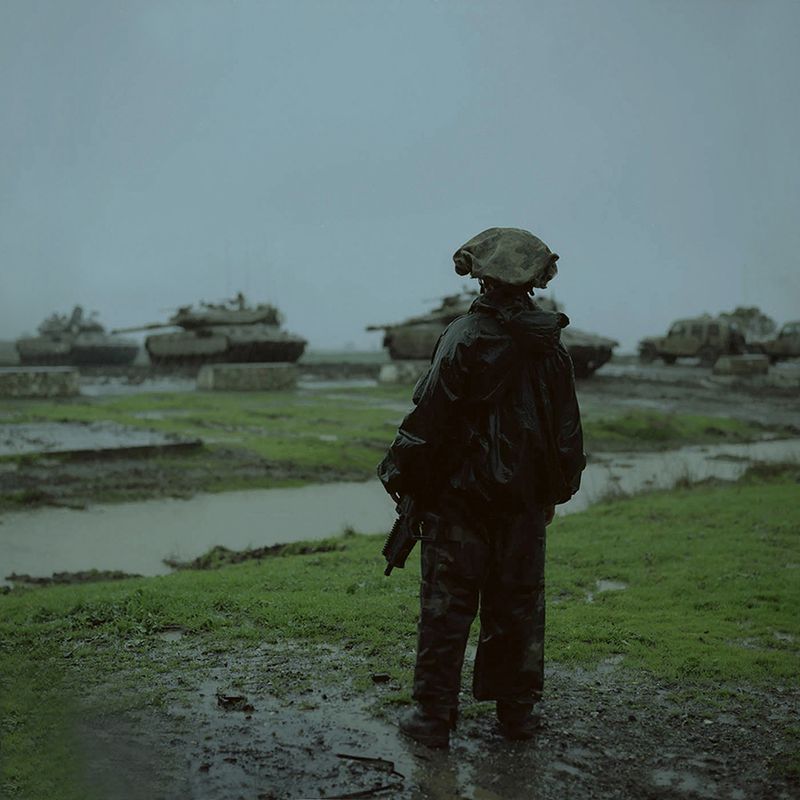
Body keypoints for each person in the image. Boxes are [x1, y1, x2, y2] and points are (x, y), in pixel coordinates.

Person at [377, 227, 586, 748]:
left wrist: (399, 476)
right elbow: (568, 435)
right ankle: (518, 716)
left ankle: (431, 721)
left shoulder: (462, 336)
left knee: (447, 610)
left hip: (459, 504)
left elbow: (428, 418)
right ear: (534, 281)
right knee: (517, 607)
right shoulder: (551, 347)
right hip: (523, 508)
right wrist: (553, 496)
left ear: (482, 278)